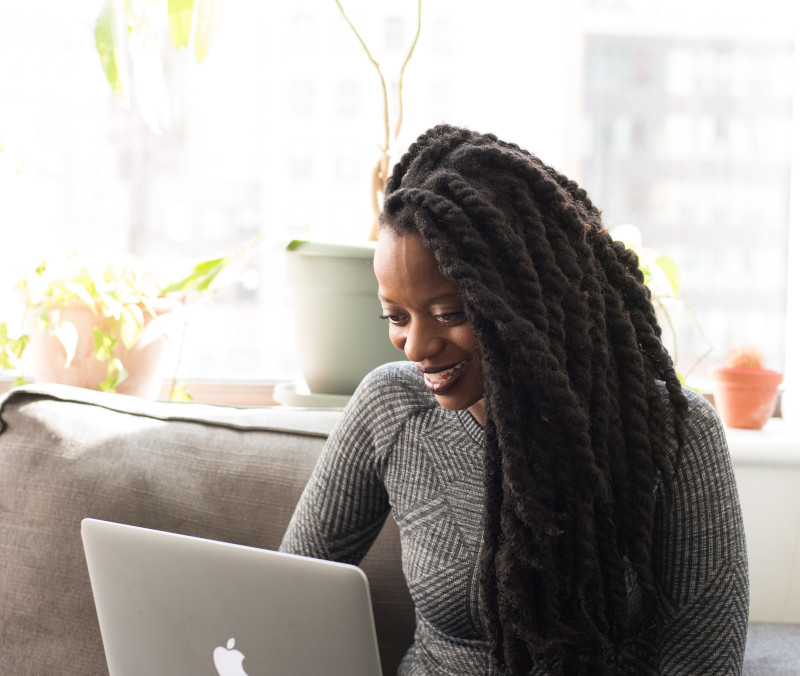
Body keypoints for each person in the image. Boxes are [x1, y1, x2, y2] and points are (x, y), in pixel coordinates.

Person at [280, 124, 749, 675]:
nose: (417, 346)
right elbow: (286, 593)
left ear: (527, 301)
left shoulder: (677, 434)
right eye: (396, 317)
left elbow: (704, 661)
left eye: (450, 313)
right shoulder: (391, 408)